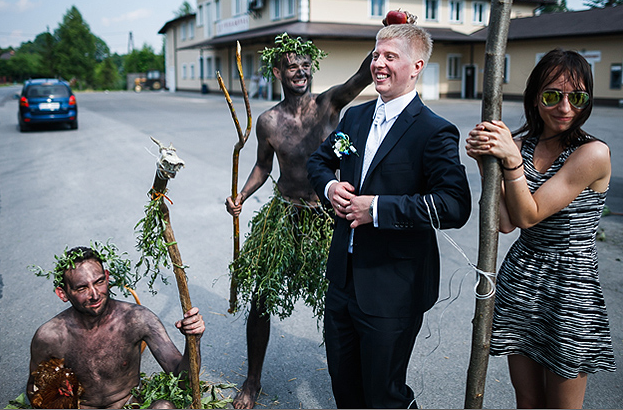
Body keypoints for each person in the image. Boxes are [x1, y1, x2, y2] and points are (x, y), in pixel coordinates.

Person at [307, 24, 471, 408]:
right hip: (343, 280)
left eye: (389, 57)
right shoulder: (355, 118)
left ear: (416, 66)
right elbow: (319, 161)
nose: (378, 64)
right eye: (376, 55)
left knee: (384, 394)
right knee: (344, 387)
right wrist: (331, 188)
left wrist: (376, 208)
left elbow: (454, 204)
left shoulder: (434, 131)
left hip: (393, 287)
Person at [225, 33, 372, 409]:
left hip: (327, 217)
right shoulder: (268, 121)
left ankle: (356, 380)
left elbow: (361, 76)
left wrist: (385, 42)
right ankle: (252, 380)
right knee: (261, 297)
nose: (301, 71)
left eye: (306, 65)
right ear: (277, 71)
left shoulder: (330, 104)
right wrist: (241, 195)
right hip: (285, 216)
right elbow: (262, 165)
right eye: (292, 65)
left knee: (343, 299)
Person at [465, 48, 615, 409]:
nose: (565, 108)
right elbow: (504, 222)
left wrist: (510, 163)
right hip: (523, 275)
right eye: (552, 96)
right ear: (535, 97)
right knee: (528, 400)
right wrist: (485, 164)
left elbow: (529, 215)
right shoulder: (520, 146)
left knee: (562, 406)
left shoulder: (593, 154)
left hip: (570, 283)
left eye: (577, 97)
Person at [28, 247, 205, 409]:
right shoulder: (49, 337)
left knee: (163, 408)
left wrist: (193, 340)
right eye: (82, 288)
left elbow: (185, 382)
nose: (95, 294)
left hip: (129, 406)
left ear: (107, 277)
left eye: (99, 282)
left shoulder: (137, 319)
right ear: (63, 293)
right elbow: (36, 393)